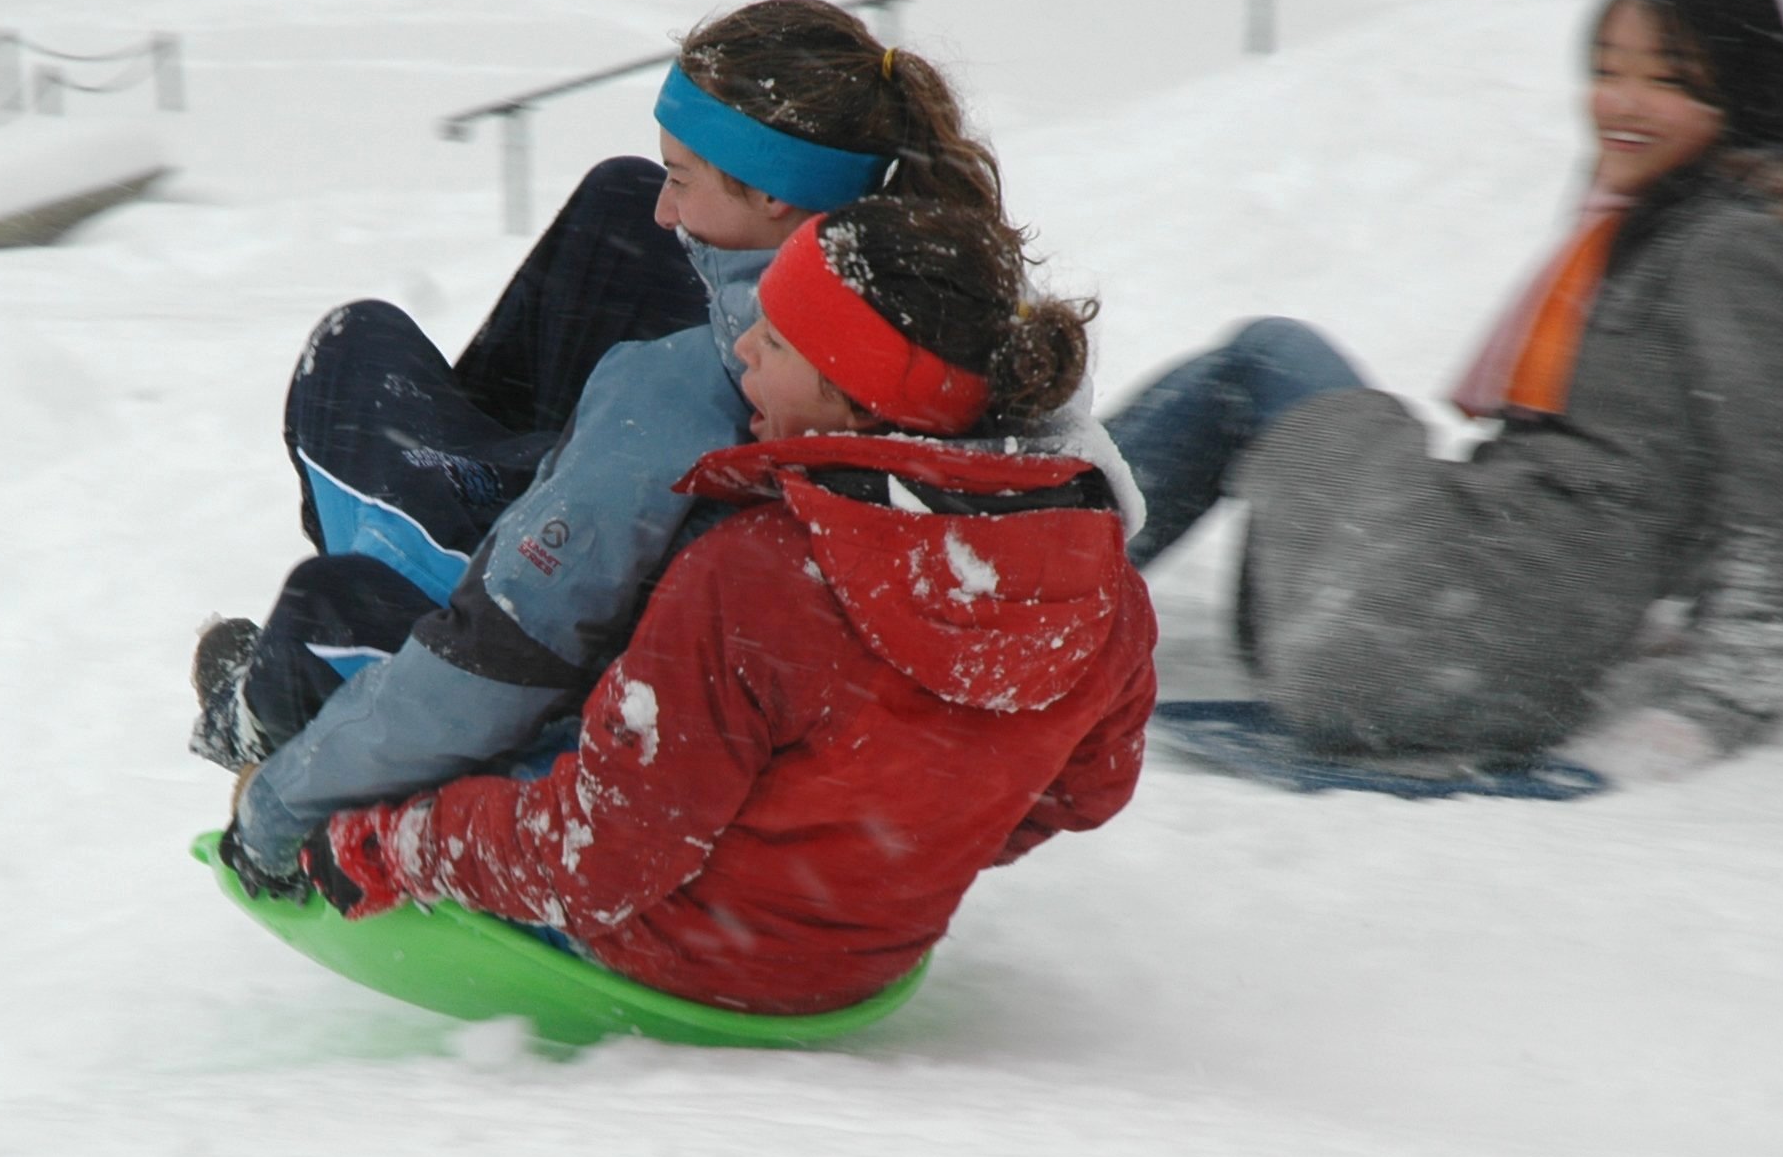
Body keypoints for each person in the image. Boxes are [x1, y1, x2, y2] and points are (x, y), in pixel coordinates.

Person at [206, 0, 1137, 881]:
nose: (667, 207)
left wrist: (281, 806)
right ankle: (521, 471)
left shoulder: (682, 394)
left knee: (351, 358)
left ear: (773, 194)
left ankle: (288, 688)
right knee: (617, 203)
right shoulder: (957, 301)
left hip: (580, 629)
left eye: (683, 178)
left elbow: (498, 669)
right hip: (653, 536)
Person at [233, 199, 1158, 1016]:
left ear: (855, 399)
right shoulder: (1105, 587)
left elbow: (599, 855)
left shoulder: (758, 577)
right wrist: (900, 854)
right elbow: (1087, 789)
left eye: (778, 343)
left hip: (666, 956)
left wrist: (390, 845)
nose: (742, 348)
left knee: (362, 647)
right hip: (868, 962)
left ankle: (272, 708)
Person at [1103, 0, 1783, 776]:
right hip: (1445, 648)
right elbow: (1695, 472)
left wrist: (1716, 706)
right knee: (1278, 373)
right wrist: (1652, 609)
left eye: (1668, 80)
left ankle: (1034, 581)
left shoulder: (1735, 249)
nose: (1622, 103)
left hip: (1433, 632)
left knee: (1265, 361)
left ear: (1742, 92)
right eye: (1607, 72)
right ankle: (1041, 575)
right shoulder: (1660, 232)